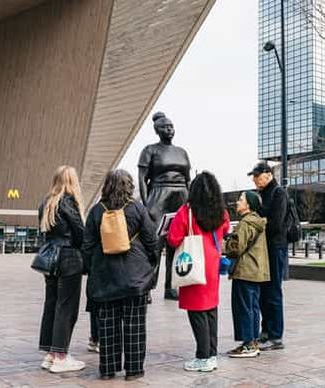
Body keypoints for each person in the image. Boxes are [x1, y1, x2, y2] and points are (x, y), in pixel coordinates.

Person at [82, 169, 157, 381]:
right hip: (135, 277)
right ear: (129, 186)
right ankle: (134, 370)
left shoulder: (96, 211)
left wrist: (94, 268)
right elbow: (151, 240)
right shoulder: (137, 208)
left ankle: (108, 369)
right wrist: (148, 265)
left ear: (106, 186)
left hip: (105, 278)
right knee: (135, 325)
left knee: (108, 326)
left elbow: (87, 246)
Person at [167, 171, 230, 373]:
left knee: (197, 312)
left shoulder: (187, 211)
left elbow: (173, 239)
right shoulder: (221, 211)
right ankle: (212, 354)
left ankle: (203, 357)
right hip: (212, 263)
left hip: (194, 262)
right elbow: (225, 229)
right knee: (211, 310)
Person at [38, 166, 86, 374]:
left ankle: (50, 353)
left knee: (52, 304)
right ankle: (60, 356)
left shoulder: (46, 203)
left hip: (49, 259)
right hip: (68, 258)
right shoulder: (68, 202)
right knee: (67, 307)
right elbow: (80, 233)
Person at [138, 112, 192, 301]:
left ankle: (171, 286)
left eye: (171, 126)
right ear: (157, 130)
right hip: (159, 196)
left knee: (176, 243)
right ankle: (147, 287)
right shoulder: (150, 150)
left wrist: (190, 201)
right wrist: (146, 203)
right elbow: (142, 179)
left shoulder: (182, 152)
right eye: (165, 127)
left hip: (181, 195)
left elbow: (188, 179)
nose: (169, 129)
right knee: (154, 243)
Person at [225, 191, 269, 358]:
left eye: (241, 200)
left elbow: (236, 248)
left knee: (243, 308)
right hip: (256, 271)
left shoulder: (245, 223)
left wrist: (226, 242)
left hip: (245, 271)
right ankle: (252, 342)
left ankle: (248, 344)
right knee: (252, 307)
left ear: (248, 205)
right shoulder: (257, 222)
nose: (237, 202)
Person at [248, 161, 287, 351]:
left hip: (275, 247)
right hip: (264, 248)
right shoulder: (262, 194)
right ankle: (266, 331)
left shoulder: (279, 193)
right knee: (264, 291)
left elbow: (276, 224)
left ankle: (276, 335)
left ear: (268, 175)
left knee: (273, 291)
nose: (255, 180)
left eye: (257, 176)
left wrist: (258, 223)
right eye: (254, 177)